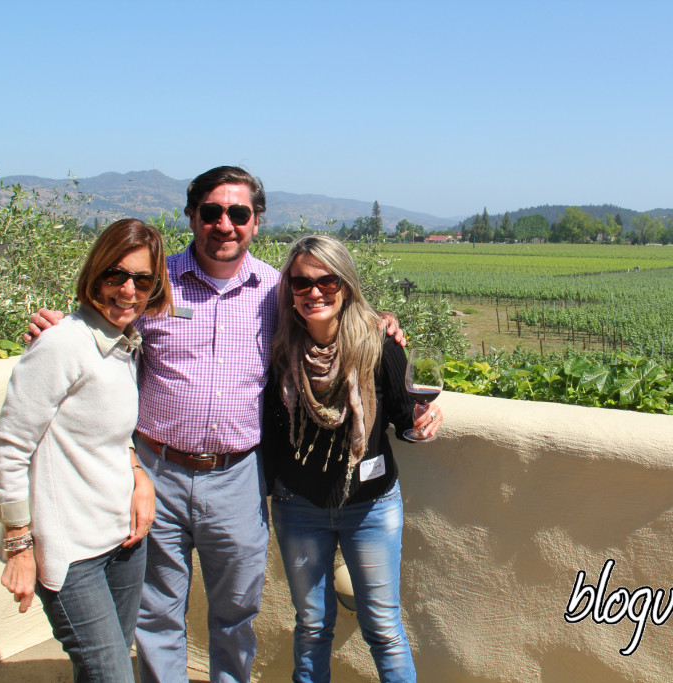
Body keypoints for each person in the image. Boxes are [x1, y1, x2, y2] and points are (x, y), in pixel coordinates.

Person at [27, 166, 404, 682]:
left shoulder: (278, 290)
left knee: (236, 615)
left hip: (238, 478)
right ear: (192, 215)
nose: (224, 224)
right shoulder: (154, 286)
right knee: (155, 614)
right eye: (212, 212)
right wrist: (61, 327)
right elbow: (103, 327)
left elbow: (332, 312)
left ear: (256, 222)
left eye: (239, 213)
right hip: (153, 473)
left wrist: (380, 324)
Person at [0, 218, 172, 681]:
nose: (128, 290)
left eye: (143, 280)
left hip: (123, 539)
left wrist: (139, 474)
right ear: (95, 274)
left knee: (101, 672)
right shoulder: (63, 343)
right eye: (116, 275)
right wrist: (19, 546)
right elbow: (8, 448)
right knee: (111, 675)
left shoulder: (123, 343)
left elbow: (108, 436)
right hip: (71, 552)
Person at [263, 234, 442, 682]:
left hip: (371, 507)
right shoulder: (277, 348)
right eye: (301, 283)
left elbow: (403, 420)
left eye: (327, 280)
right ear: (289, 288)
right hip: (298, 506)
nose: (314, 292)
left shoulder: (380, 344)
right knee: (312, 627)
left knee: (383, 628)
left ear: (346, 284)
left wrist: (421, 425)